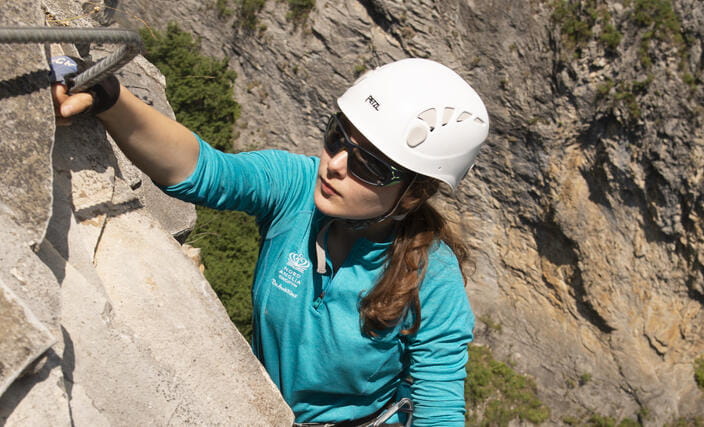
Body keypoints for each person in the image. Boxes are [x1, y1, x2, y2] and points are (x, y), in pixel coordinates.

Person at [52, 57, 489, 426]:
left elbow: (438, 411)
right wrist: (111, 97)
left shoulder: (433, 277)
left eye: (369, 166)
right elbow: (200, 170)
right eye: (337, 136)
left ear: (414, 193)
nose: (334, 164)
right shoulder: (295, 188)